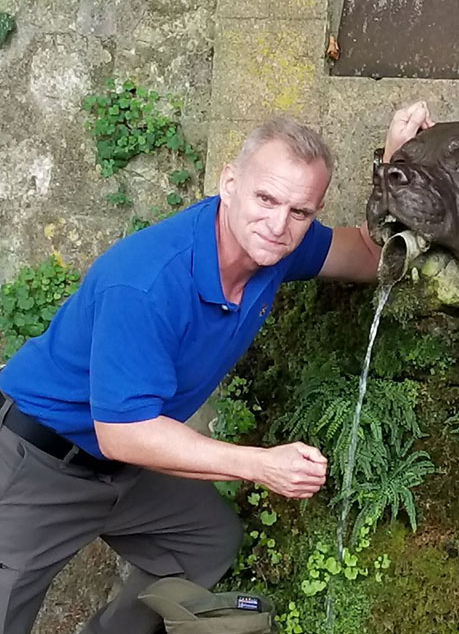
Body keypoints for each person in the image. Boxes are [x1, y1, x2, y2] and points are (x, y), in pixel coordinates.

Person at [0, 102, 434, 634]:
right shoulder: (145, 282)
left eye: (300, 212)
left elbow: (370, 257)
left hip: (121, 470)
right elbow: (123, 433)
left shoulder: (273, 250)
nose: (279, 224)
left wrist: (396, 163)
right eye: (266, 198)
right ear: (229, 183)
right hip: (36, 464)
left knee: (204, 539)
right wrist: (260, 465)